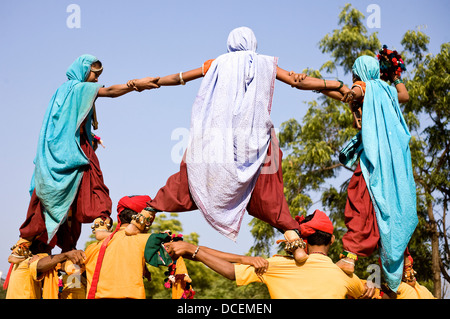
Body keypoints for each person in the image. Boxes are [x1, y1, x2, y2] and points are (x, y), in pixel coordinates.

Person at [134, 26, 351, 264]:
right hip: (256, 139)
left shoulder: (215, 64)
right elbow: (296, 81)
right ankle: (296, 245)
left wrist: (150, 82)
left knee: (191, 178)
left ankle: (145, 215)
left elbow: (180, 78)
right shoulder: (265, 64)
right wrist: (336, 85)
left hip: (217, 135)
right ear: (253, 43)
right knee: (270, 193)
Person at [9, 55, 160, 264]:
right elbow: (110, 92)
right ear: (83, 71)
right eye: (95, 74)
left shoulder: (60, 92)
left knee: (44, 197)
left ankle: (24, 242)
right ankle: (100, 223)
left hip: (53, 155)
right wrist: (135, 85)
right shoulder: (79, 88)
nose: (97, 79)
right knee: (94, 182)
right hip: (76, 149)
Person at [322, 55, 417, 294]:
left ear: (360, 73)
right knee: (393, 209)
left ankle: (350, 256)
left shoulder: (365, 87)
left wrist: (351, 92)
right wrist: (395, 75)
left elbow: (353, 91)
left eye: (355, 73)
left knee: (360, 198)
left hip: (373, 157)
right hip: (394, 161)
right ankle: (406, 267)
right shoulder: (386, 90)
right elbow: (404, 95)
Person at [165, 209, 376, 299]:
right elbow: (372, 291)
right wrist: (373, 281)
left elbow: (230, 272)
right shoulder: (345, 276)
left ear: (302, 240)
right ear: (331, 240)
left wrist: (193, 249)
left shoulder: (278, 265)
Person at [5, 239, 85, 299]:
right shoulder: (28, 262)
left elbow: (58, 266)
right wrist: (66, 255)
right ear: (41, 246)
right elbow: (40, 265)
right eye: (50, 250)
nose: (50, 254)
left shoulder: (20, 263)